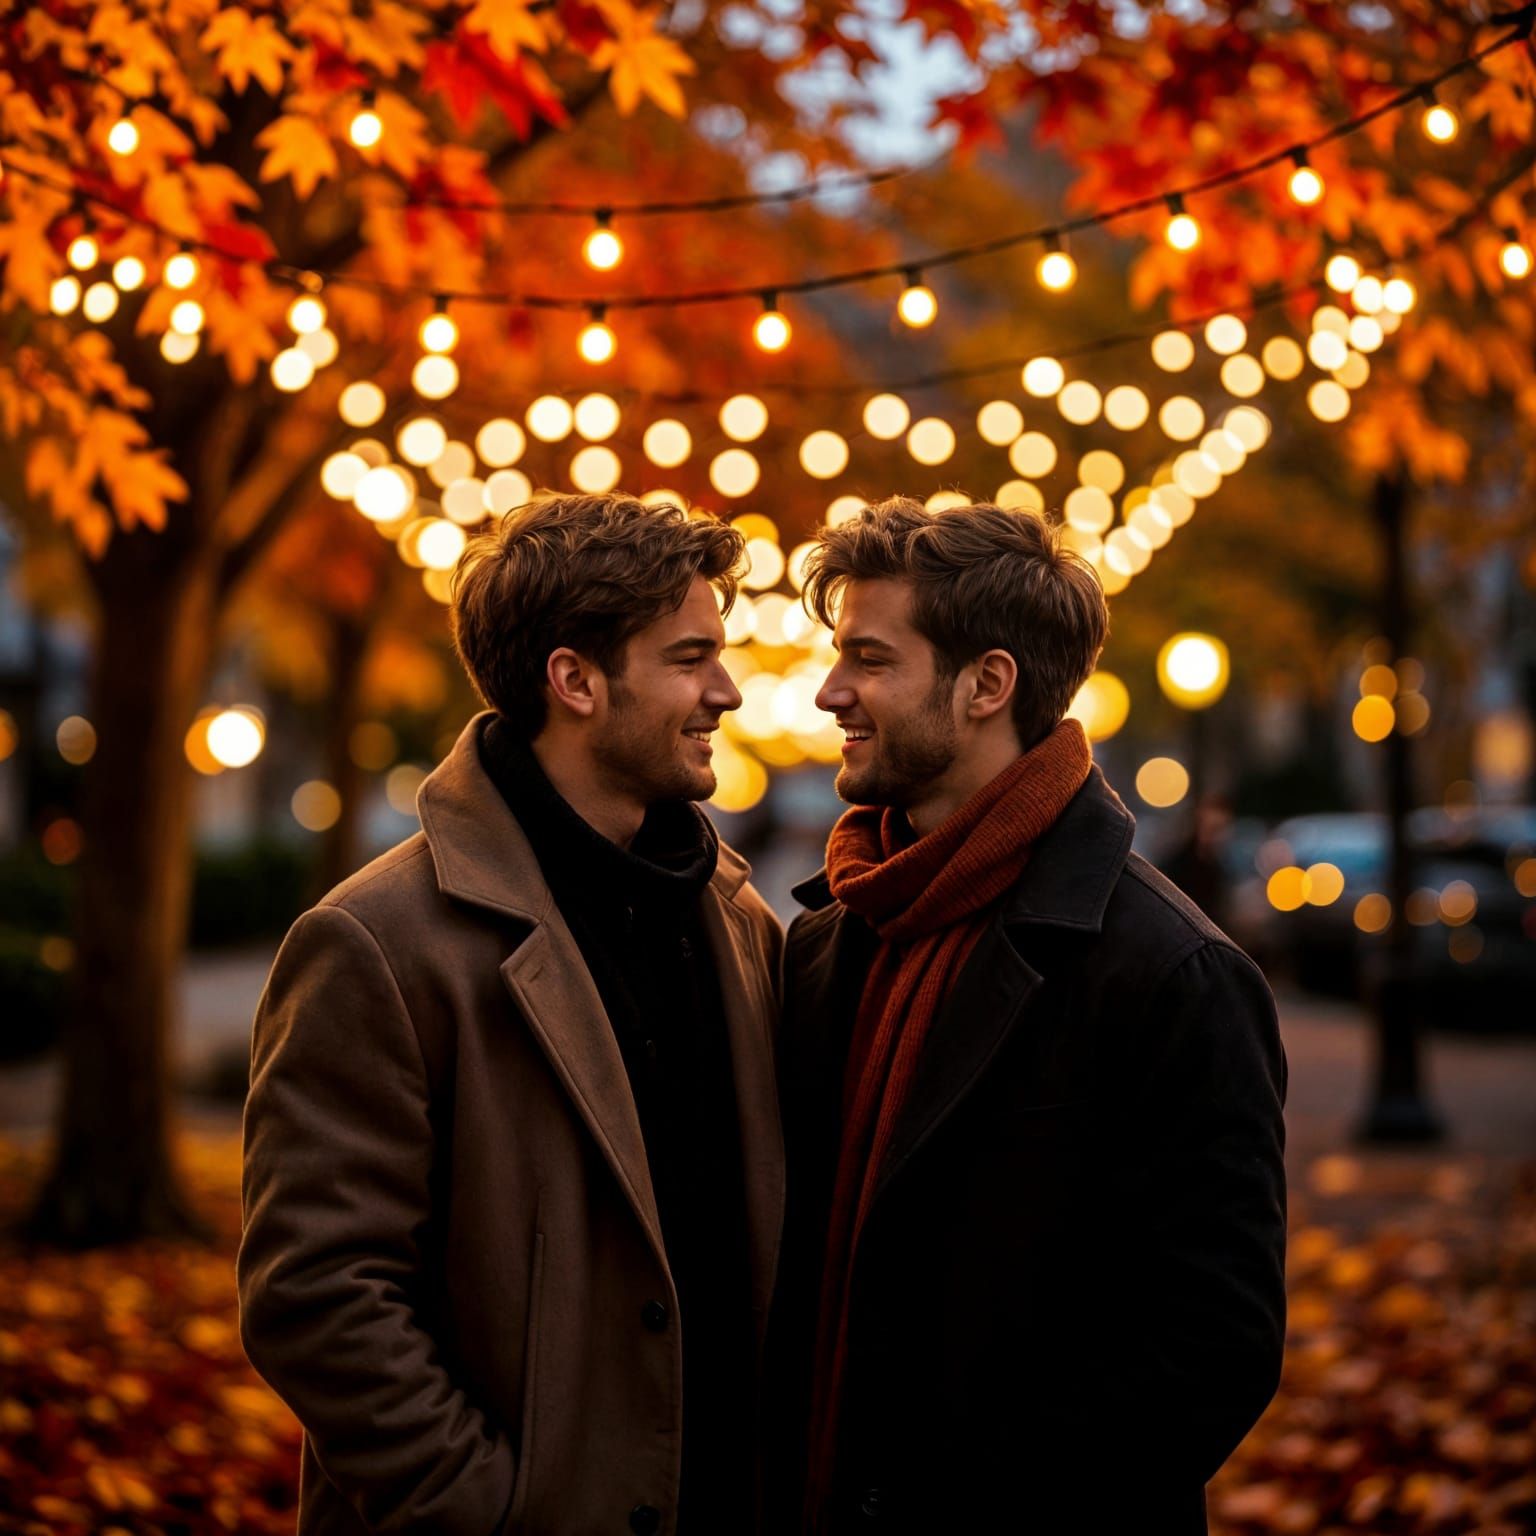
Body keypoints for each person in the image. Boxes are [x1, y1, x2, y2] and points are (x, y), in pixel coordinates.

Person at [239, 493, 786, 1536]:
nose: (726, 690)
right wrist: (488, 1510)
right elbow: (316, 1294)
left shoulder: (739, 920)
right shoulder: (379, 943)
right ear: (574, 680)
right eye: (689, 657)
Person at [768, 498, 1287, 1535]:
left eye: (870, 659)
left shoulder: (1171, 973)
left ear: (986, 685)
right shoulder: (829, 942)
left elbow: (1210, 1350)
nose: (830, 693)